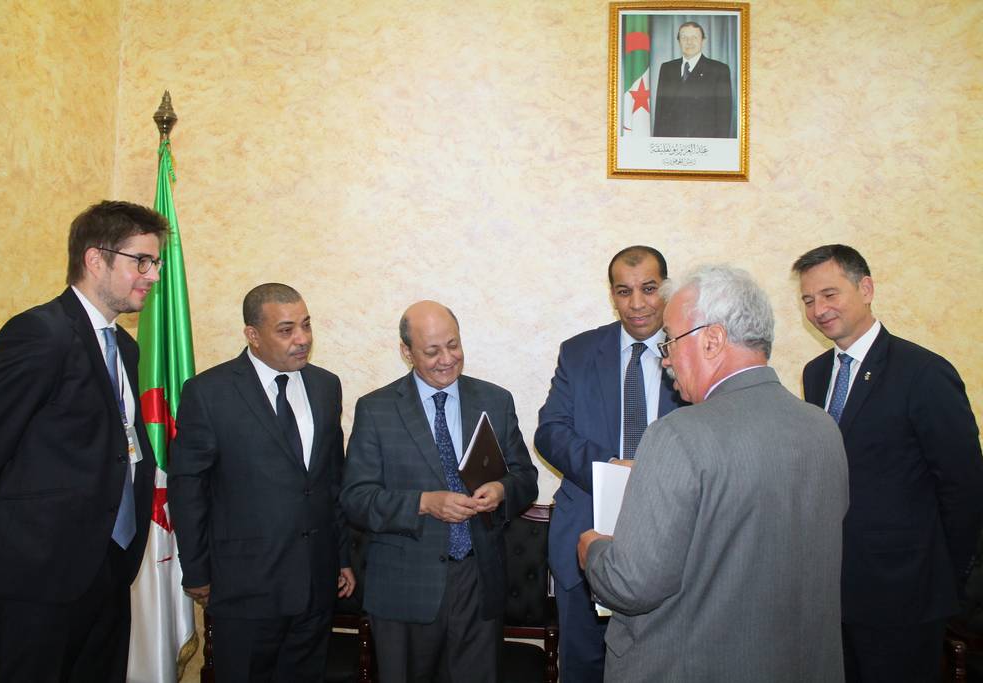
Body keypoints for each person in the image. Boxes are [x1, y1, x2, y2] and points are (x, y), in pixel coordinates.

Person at [578, 265, 848, 682]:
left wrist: (593, 550)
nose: (665, 358)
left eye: (670, 340)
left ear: (713, 340)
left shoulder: (677, 435)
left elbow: (630, 586)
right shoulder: (823, 428)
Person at [0, 200, 166, 682]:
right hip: (36, 573)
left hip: (109, 565)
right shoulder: (40, 333)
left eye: (155, 262)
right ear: (96, 259)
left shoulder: (125, 347)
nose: (153, 275)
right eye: (142, 261)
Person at [793, 244, 983, 683]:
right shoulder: (816, 373)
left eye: (830, 294)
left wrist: (944, 575)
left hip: (906, 594)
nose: (819, 310)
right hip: (836, 590)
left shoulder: (923, 372)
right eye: (808, 300)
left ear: (866, 289)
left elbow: (964, 485)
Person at [341, 300, 538, 683]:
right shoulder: (376, 409)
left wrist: (501, 490)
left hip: (478, 581)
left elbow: (525, 478)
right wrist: (423, 503)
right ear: (407, 352)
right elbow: (356, 499)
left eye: (453, 345)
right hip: (404, 587)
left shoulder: (495, 401)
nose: (447, 359)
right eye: (432, 351)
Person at [168, 283, 354, 683]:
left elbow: (331, 482)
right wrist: (196, 570)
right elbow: (188, 488)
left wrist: (341, 557)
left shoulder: (326, 386)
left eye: (306, 325)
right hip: (244, 587)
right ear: (252, 335)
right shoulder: (208, 392)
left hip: (315, 581)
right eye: (286, 330)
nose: (302, 339)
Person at [534, 245, 686, 682]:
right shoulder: (579, 352)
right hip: (586, 535)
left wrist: (654, 470)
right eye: (624, 291)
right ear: (612, 295)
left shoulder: (690, 350)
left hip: (670, 539)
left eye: (649, 289)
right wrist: (611, 469)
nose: (636, 303)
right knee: (583, 668)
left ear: (666, 289)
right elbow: (550, 431)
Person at [652, 21, 733, 138]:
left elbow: (723, 117)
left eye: (694, 37)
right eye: (684, 37)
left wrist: (718, 146)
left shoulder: (719, 70)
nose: (689, 42)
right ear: (679, 41)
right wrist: (658, 141)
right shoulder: (667, 68)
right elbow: (660, 112)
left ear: (703, 41)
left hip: (703, 141)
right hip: (671, 142)